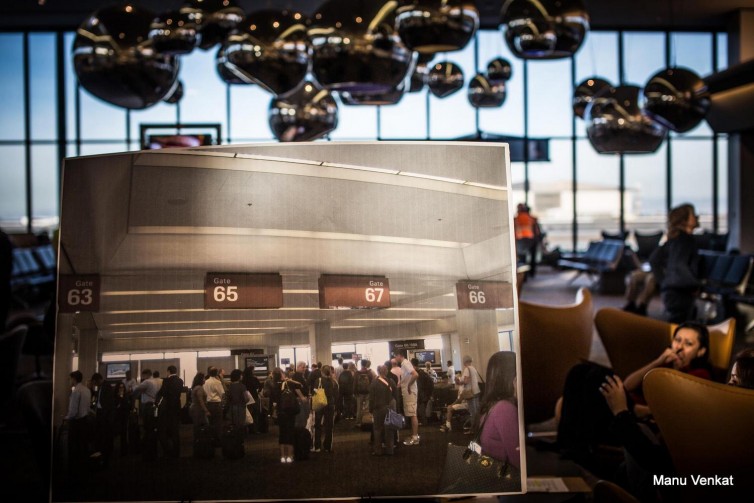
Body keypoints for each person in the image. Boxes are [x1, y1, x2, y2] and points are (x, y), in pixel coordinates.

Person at [649, 203, 701, 323]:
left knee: (675, 326)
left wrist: (664, 282)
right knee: (679, 327)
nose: (696, 217)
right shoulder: (686, 240)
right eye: (692, 215)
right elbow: (680, 265)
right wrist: (694, 284)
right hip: (681, 291)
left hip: (670, 291)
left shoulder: (673, 239)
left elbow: (654, 260)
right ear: (684, 220)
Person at [475, 351, 520, 470]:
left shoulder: (492, 404)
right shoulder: (505, 409)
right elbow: (520, 460)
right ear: (513, 377)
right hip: (506, 478)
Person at [271, 367, 305, 463]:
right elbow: (300, 385)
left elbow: (273, 401)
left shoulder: (274, 386)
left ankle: (282, 456)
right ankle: (290, 456)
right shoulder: (288, 383)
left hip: (280, 412)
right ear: (282, 375)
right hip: (290, 412)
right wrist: (289, 380)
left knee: (282, 434)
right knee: (290, 433)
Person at [64, 370, 92, 472]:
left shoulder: (76, 391)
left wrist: (66, 418)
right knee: (83, 445)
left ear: (74, 379)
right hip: (85, 421)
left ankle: (74, 470)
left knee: (73, 447)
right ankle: (84, 468)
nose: (69, 381)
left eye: (70, 379)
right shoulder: (87, 390)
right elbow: (88, 408)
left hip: (76, 423)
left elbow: (73, 411)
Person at [156, 365, 183, 458]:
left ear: (168, 371)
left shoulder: (166, 381)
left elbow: (162, 393)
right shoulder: (180, 381)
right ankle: (176, 451)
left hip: (167, 408)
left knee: (166, 429)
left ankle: (167, 451)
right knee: (176, 430)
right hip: (176, 407)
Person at [369, 365, 396, 456]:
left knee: (377, 430)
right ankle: (390, 450)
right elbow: (395, 396)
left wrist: (370, 409)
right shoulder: (391, 382)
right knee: (389, 430)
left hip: (378, 409)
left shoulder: (374, 383)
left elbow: (371, 398)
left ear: (378, 372)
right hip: (390, 408)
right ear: (387, 371)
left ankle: (378, 450)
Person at [394, 352, 420, 446]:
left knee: (412, 414)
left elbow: (415, 375)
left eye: (395, 356)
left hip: (410, 392)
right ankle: (414, 435)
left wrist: (409, 385)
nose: (395, 358)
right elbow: (405, 378)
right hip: (407, 392)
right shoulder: (403, 364)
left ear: (399, 355)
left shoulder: (405, 363)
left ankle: (415, 437)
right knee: (411, 413)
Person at [90, 373, 114, 466]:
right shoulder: (102, 387)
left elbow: (108, 403)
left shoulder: (106, 387)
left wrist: (103, 415)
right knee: (103, 435)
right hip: (102, 413)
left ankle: (105, 456)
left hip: (105, 415)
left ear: (97, 380)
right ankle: (103, 453)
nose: (95, 384)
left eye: (95, 382)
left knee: (105, 436)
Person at [312, 365, 338, 453]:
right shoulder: (333, 382)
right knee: (329, 426)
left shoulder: (318, 381)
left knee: (318, 425)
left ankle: (317, 446)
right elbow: (336, 395)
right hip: (330, 405)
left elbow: (314, 391)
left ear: (322, 372)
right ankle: (327, 446)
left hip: (319, 404)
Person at [514, 203, 542, 277]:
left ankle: (524, 275)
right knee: (532, 257)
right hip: (531, 239)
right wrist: (539, 240)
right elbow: (537, 230)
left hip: (520, 240)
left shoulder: (516, 218)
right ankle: (532, 273)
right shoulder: (532, 218)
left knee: (522, 258)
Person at [203, 367, 225, 446]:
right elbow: (221, 393)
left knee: (210, 423)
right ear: (216, 373)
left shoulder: (206, 382)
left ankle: (210, 440)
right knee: (218, 423)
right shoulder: (217, 382)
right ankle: (218, 441)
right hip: (216, 404)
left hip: (208, 404)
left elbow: (204, 393)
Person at [189, 372, 210, 439]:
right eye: (203, 378)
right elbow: (201, 401)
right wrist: (206, 410)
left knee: (196, 426)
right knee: (203, 425)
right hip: (198, 409)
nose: (204, 380)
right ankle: (201, 442)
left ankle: (198, 441)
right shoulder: (200, 388)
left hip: (194, 408)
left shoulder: (195, 387)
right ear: (201, 379)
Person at [242, 365, 262, 432]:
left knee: (247, 414)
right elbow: (259, 387)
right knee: (255, 414)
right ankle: (255, 429)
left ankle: (247, 429)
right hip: (254, 397)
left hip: (246, 398)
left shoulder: (243, 380)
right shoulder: (254, 379)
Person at [355, 360, 373, 427]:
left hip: (359, 393)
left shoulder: (357, 373)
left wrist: (355, 392)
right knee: (367, 408)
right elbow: (371, 383)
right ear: (366, 364)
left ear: (361, 364)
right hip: (368, 392)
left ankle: (358, 422)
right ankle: (366, 421)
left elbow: (355, 383)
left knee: (359, 408)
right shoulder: (369, 373)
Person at [416, 358, 434, 425]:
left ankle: (423, 422)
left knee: (421, 409)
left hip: (421, 395)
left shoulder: (419, 374)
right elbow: (431, 383)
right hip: (425, 394)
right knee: (422, 408)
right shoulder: (424, 373)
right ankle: (424, 422)